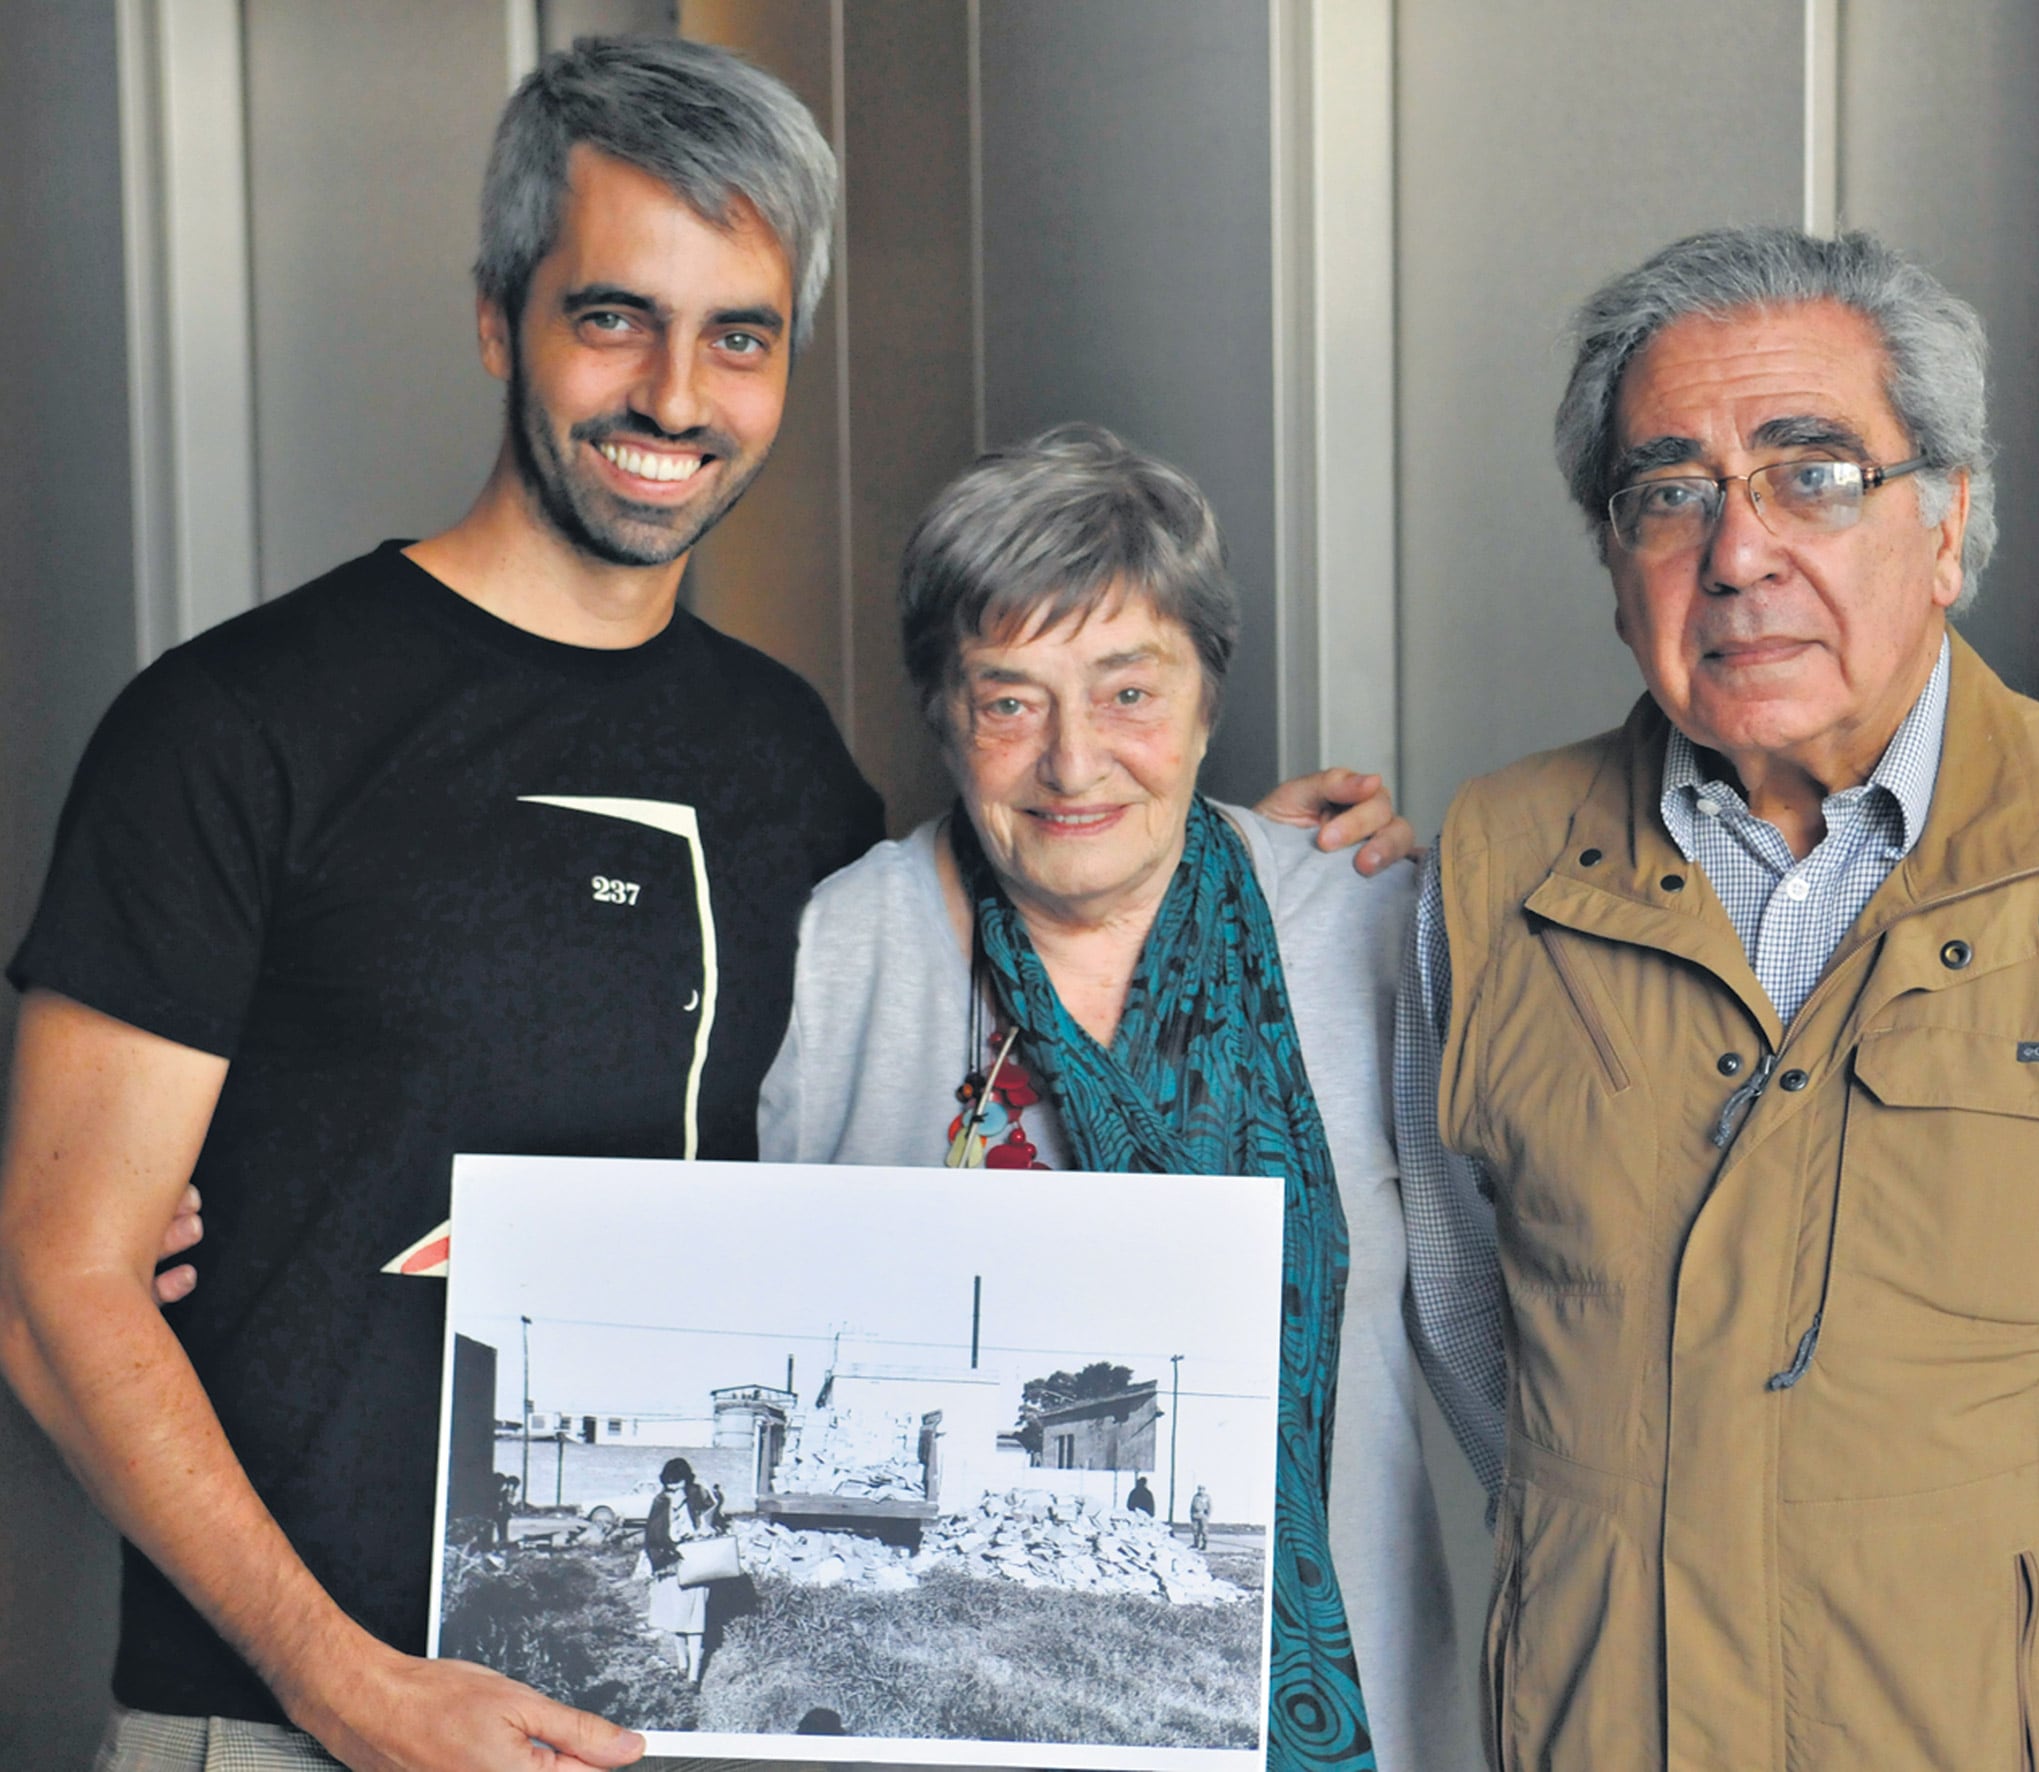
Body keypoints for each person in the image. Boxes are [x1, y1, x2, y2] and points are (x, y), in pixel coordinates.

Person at [0, 37, 1408, 1772]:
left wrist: (1231, 851)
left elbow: (996, 935)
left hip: (678, 1728)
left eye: (738, 336)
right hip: (291, 1722)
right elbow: (57, 1278)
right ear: (497, 319)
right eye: (614, 318)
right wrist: (337, 1681)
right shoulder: (235, 725)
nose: (675, 396)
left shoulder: (786, 767)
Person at [1398, 224, 2039, 1771]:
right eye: (1668, 492)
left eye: (1812, 476)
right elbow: (1475, 1329)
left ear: (1945, 521)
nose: (1736, 554)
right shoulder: (1488, 874)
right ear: (1614, 560)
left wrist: (2036, 1608)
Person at [760, 426, 1472, 1772]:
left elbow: (1528, 1320)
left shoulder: (1375, 927)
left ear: (1208, 699)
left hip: (1341, 1712)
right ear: (942, 715)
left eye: (1129, 692)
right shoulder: (834, 953)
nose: (1073, 763)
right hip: (944, 1712)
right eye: (1008, 701)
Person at [641, 1458, 726, 1684]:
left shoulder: (699, 1497)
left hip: (696, 1566)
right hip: (669, 1567)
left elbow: (718, 1525)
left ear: (686, 1482)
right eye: (670, 1488)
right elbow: (652, 1537)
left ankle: (693, 1677)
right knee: (676, 1620)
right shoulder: (660, 1502)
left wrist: (706, 1530)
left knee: (695, 1621)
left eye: (678, 1487)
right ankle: (682, 1665)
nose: (674, 1492)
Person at [1188, 1484, 1213, 1552]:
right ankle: (1196, 1544)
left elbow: (1209, 1507)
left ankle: (1204, 1545)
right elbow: (1192, 1506)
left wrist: (1207, 1516)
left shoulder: (1207, 1497)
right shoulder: (1195, 1497)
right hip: (1195, 1515)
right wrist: (1191, 1515)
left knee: (1204, 1530)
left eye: (1202, 1489)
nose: (1200, 1491)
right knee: (1195, 1530)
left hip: (1203, 1516)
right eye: (1199, 1489)